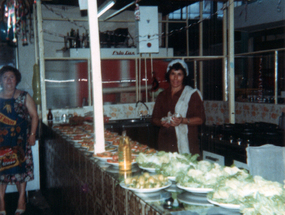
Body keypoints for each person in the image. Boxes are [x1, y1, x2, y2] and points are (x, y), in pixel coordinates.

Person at [0, 66, 38, 215]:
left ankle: (21, 199)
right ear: (1, 81)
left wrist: (32, 134)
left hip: (20, 141)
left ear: (16, 79)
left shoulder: (24, 96)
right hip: (1, 141)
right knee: (1, 171)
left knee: (21, 171)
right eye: (5, 77)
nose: (9, 80)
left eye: (12, 77)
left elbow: (34, 116)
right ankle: (1, 201)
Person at [152, 59, 205, 157]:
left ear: (184, 76)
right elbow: (154, 119)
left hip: (187, 144)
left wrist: (182, 120)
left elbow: (200, 119)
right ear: (168, 75)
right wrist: (161, 122)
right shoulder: (162, 95)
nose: (175, 78)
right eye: (173, 74)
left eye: (179, 74)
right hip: (166, 143)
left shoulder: (191, 94)